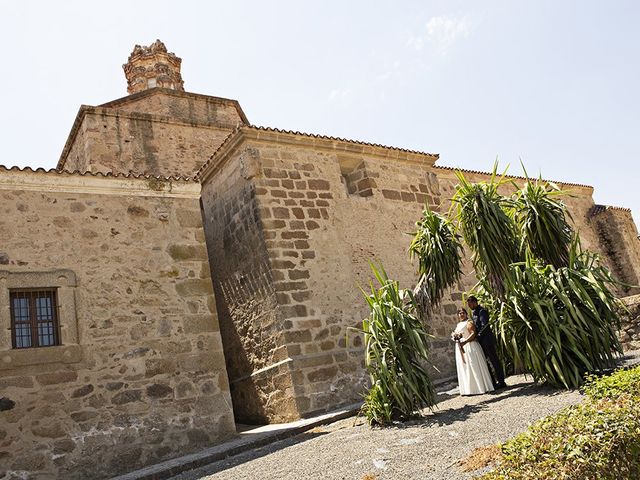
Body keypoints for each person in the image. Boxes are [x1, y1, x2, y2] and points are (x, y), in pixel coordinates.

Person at [467, 296, 507, 389]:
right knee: (485, 363)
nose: (469, 306)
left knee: (494, 361)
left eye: (470, 304)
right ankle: (492, 382)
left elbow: (485, 325)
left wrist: (478, 336)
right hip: (481, 342)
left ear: (475, 302)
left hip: (487, 340)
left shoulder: (482, 311)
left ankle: (501, 382)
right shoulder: (474, 313)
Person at [451, 309, 495, 395]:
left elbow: (473, 333)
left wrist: (465, 341)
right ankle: (469, 389)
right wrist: (455, 338)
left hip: (470, 346)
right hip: (461, 347)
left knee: (473, 365)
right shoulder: (458, 324)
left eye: (463, 313)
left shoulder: (469, 322)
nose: (461, 315)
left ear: (466, 314)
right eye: (459, 313)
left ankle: (480, 387)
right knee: (466, 367)